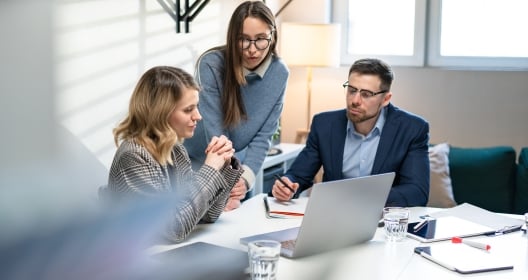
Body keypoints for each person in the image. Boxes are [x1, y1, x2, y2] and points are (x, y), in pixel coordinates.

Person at [107, 66, 243, 242]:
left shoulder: (176, 151)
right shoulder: (134, 156)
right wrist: (210, 168)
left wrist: (223, 165)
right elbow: (173, 228)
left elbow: (207, 215)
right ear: (160, 113)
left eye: (196, 107)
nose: (198, 116)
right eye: (188, 110)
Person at [271, 58, 430, 207]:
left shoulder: (412, 129)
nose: (355, 100)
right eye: (352, 90)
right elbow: (298, 176)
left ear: (386, 99)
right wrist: (287, 185)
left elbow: (417, 192)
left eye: (366, 94)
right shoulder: (324, 125)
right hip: (333, 218)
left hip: (382, 219)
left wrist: (360, 198)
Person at [183, 1, 289, 211]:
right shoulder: (211, 64)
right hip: (194, 164)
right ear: (233, 38)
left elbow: (264, 136)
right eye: (243, 40)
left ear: (272, 36)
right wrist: (229, 180)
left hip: (232, 167)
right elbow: (216, 134)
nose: (252, 50)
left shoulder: (280, 73)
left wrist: (244, 181)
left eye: (260, 40)